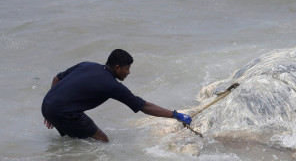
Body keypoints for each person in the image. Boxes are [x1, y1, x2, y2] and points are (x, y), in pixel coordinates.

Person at [42, 49, 192, 142]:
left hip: (47, 104)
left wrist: (51, 109)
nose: (128, 72)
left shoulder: (87, 65)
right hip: (63, 112)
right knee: (102, 139)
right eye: (127, 69)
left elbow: (57, 78)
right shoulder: (111, 85)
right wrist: (175, 115)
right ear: (117, 67)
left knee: (74, 140)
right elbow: (144, 107)